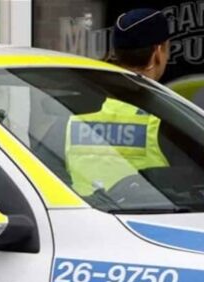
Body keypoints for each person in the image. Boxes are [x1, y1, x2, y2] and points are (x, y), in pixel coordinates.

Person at [65, 8, 172, 197]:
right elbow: (201, 184)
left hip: (84, 211)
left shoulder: (76, 109)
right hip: (149, 212)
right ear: (158, 52)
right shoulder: (166, 117)